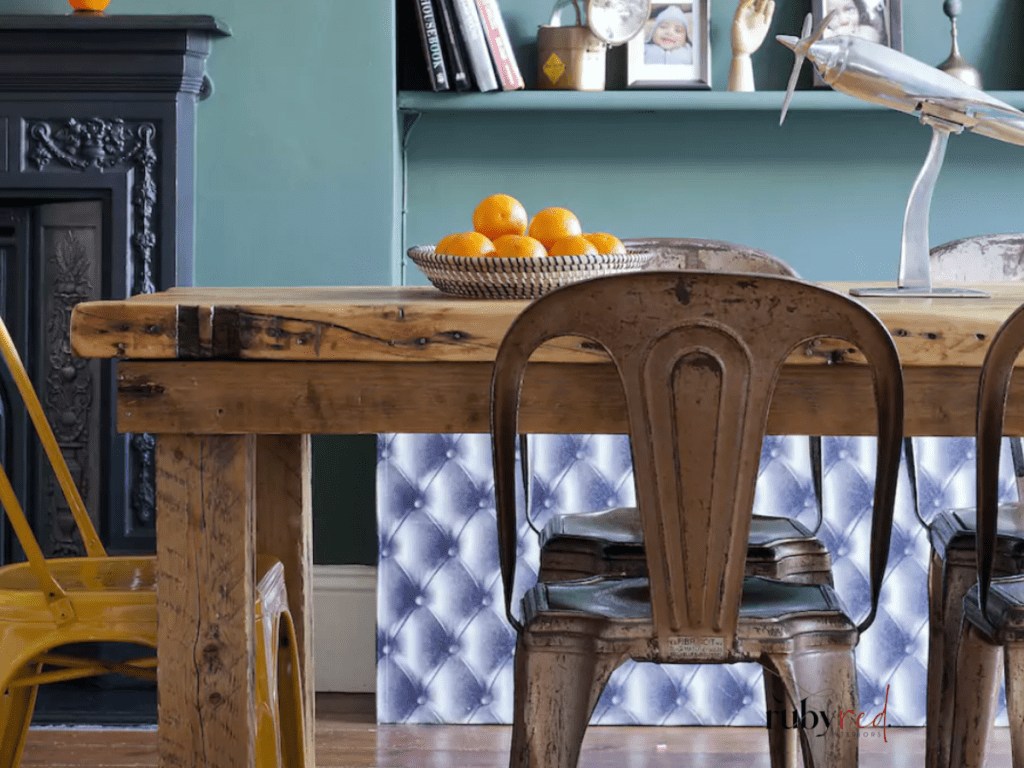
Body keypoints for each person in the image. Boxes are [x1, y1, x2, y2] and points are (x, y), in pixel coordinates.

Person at [823, 0, 888, 46]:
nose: (844, 20)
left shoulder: (867, 32)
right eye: (833, 15)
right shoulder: (824, 37)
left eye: (849, 10)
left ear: (859, 9)